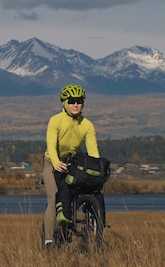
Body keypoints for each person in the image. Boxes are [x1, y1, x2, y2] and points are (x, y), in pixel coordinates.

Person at [42, 84, 101, 248]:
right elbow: (51, 146)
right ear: (65, 103)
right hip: (52, 162)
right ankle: (48, 241)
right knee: (54, 199)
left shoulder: (87, 124)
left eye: (79, 101)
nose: (75, 104)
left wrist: (96, 170)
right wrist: (55, 163)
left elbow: (93, 152)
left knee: (79, 193)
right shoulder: (55, 120)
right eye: (72, 101)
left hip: (73, 164)